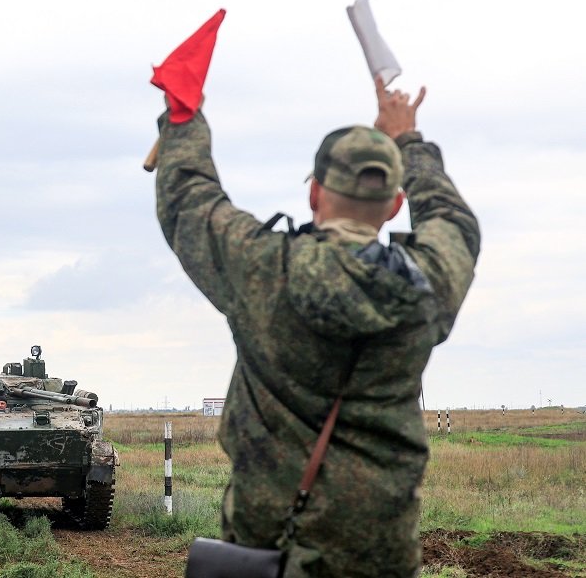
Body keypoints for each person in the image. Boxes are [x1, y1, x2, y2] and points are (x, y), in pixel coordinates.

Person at [153, 78, 480, 577]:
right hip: (381, 554)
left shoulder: (261, 268)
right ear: (395, 205)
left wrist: (184, 117)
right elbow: (452, 220)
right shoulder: (428, 285)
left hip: (269, 545)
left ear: (314, 192)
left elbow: (188, 200)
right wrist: (407, 139)